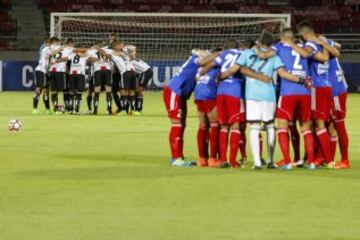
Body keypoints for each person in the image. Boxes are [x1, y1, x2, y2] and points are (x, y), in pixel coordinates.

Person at [225, 32, 311, 169]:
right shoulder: (275, 57)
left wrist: (220, 76)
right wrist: (301, 80)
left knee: (254, 127)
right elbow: (282, 73)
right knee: (270, 126)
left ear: (259, 42)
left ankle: (257, 163)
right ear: (272, 44)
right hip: (269, 94)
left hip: (252, 94)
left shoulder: (248, 53)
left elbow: (239, 69)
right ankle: (271, 161)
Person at [255, 28, 315, 170]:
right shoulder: (304, 46)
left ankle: (287, 162)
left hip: (288, 92)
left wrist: (257, 48)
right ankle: (311, 162)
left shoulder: (279, 47)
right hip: (305, 92)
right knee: (306, 127)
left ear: (282, 37)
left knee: (282, 127)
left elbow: (263, 56)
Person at [163, 50, 209, 166]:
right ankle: (175, 158)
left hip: (181, 95)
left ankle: (179, 156)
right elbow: (202, 60)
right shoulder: (195, 60)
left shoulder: (196, 61)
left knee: (182, 124)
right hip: (174, 91)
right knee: (177, 123)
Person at [32, 38, 51, 115]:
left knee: (46, 91)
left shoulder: (46, 48)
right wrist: (61, 48)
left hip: (45, 72)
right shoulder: (45, 48)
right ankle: (35, 109)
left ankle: (47, 109)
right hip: (40, 71)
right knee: (39, 89)